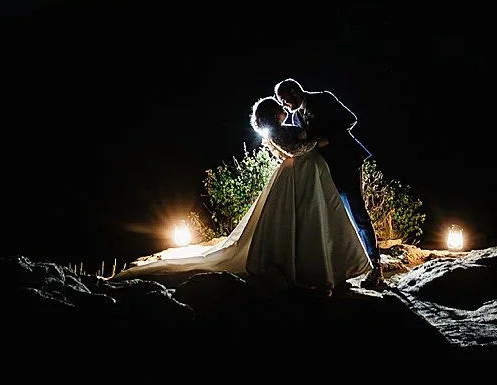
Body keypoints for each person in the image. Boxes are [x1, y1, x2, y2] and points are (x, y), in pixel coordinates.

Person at [125, 97, 371, 292]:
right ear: (276, 113)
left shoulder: (277, 129)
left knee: (310, 214)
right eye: (281, 106)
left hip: (301, 170)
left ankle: (319, 263)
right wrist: (316, 140)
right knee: (312, 213)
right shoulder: (279, 131)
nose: (286, 108)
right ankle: (320, 266)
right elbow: (297, 149)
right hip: (303, 169)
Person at [274, 78, 383, 287]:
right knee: (336, 218)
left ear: (293, 92)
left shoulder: (323, 98)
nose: (284, 105)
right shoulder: (296, 116)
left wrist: (329, 138)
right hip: (325, 171)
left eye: (283, 99)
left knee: (357, 213)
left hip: (345, 164)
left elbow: (350, 119)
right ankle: (345, 268)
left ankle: (376, 267)